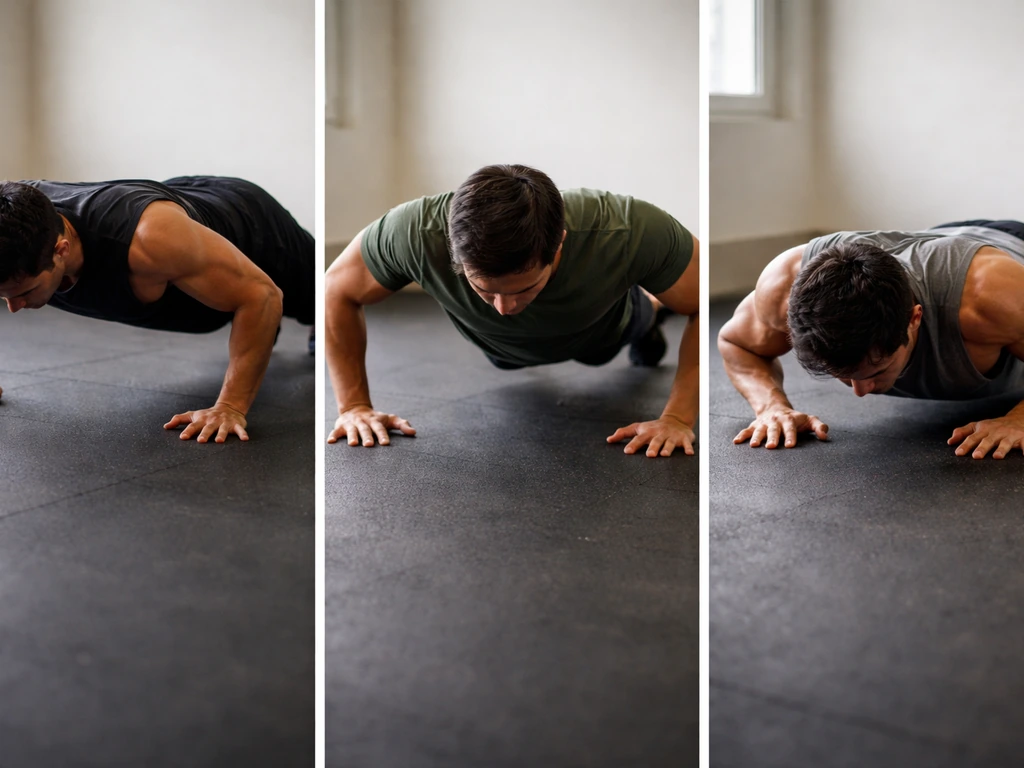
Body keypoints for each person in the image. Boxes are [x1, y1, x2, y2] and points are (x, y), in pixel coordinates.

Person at [326, 164, 699, 458]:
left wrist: (678, 418)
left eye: (524, 289)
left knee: (619, 333)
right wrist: (354, 406)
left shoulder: (629, 229)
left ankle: (650, 310)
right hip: (502, 350)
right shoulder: (412, 232)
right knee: (506, 358)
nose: (504, 309)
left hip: (601, 330)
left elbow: (701, 305)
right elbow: (335, 291)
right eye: (485, 291)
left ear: (558, 246)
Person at [0, 176, 313, 443]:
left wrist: (230, 406)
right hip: (186, 256)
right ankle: (253, 321)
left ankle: (262, 319)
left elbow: (262, 295)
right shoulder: (11, 225)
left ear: (61, 250)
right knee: (235, 306)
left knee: (317, 305)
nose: (13, 308)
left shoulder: (150, 240)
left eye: (25, 292)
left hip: (250, 222)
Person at [718, 220, 1024, 459]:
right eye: (843, 377)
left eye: (876, 371)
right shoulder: (783, 287)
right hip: (943, 237)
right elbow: (737, 343)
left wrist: (1018, 421)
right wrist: (771, 406)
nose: (860, 393)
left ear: (914, 319)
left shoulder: (990, 300)